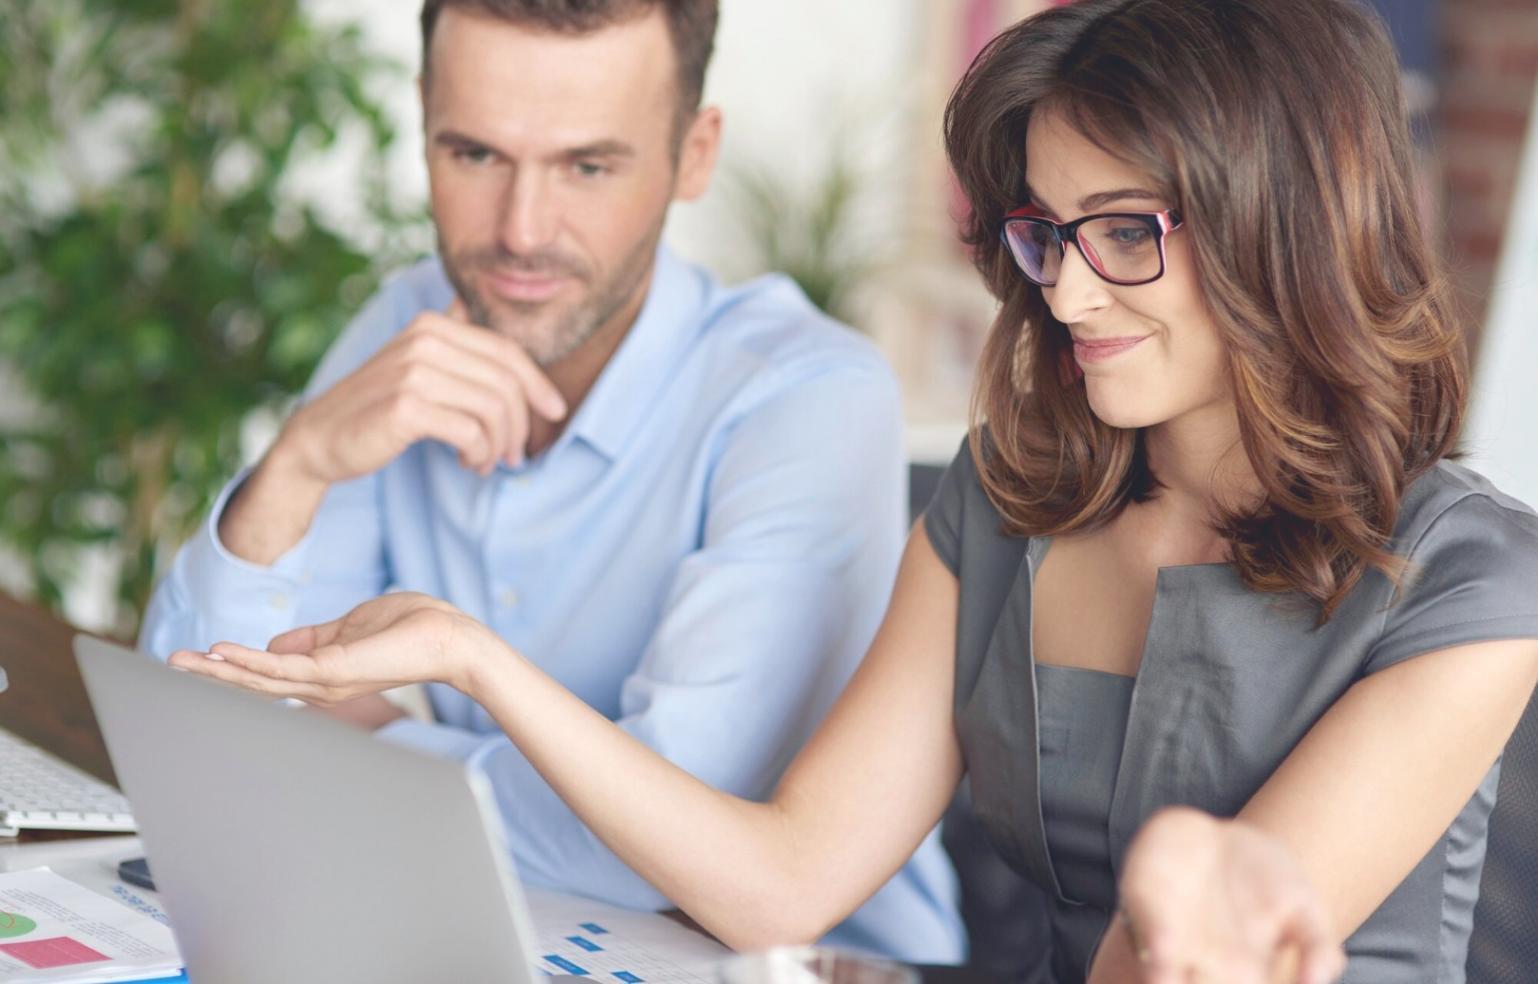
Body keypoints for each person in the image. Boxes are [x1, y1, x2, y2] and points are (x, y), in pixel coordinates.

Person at [170, 0, 1538, 981]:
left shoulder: (1475, 584)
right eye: (1048, 233)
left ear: (1283, 227)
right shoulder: (1008, 509)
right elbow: (785, 873)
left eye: (1125, 232)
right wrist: (476, 660)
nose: (1062, 286)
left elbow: (1161, 962)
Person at [138, 0, 965, 965]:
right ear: (423, 120)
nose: (522, 233)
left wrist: (359, 750)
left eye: (588, 165)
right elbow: (196, 728)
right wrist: (302, 460)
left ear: (693, 155)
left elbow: (657, 858)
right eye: (476, 155)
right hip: (470, 927)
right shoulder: (411, 319)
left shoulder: (806, 394)